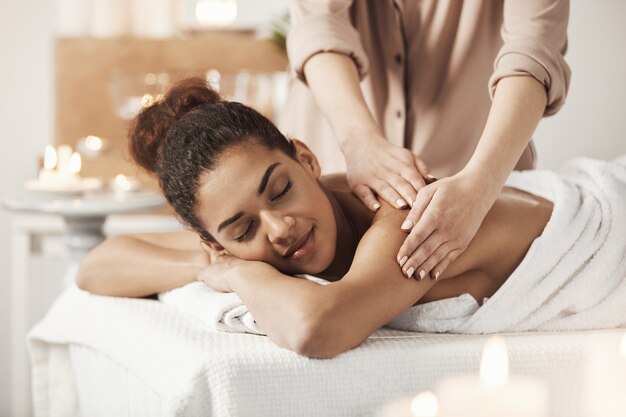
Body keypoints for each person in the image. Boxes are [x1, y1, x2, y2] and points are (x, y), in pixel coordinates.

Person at [77, 78, 558, 358]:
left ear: (306, 160)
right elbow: (98, 265)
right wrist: (210, 268)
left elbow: (316, 328)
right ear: (217, 241)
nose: (280, 227)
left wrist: (242, 271)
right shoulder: (233, 246)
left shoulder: (403, 213)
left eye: (281, 189)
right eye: (244, 229)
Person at [281, 0, 571, 281]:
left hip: (476, 184)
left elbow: (534, 48)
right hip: (336, 155)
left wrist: (481, 184)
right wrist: (358, 141)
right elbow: (317, 23)